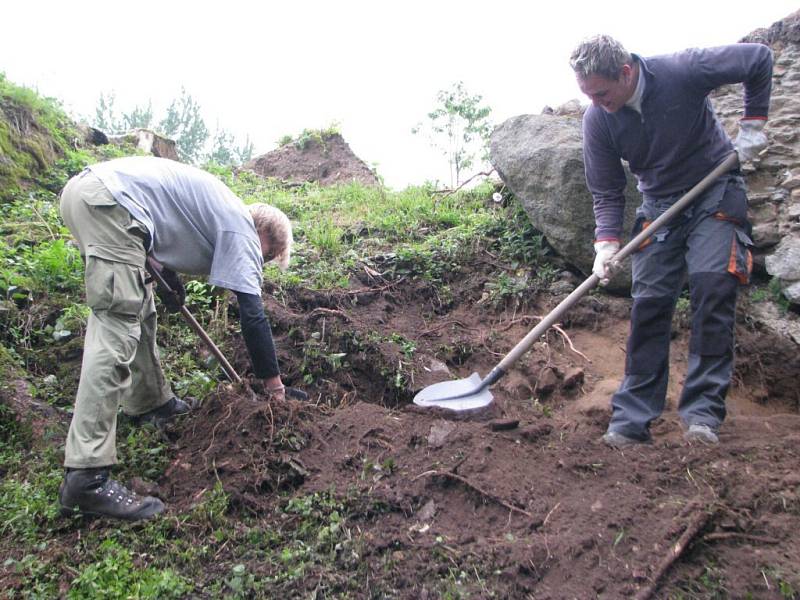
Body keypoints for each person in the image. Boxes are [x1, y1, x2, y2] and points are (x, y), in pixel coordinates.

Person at [57, 155, 293, 520]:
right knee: (117, 325)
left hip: (97, 198)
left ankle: (151, 403)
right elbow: (253, 315)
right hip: (112, 204)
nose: (260, 264)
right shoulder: (243, 229)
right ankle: (85, 478)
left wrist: (167, 273)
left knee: (140, 309)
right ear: (267, 238)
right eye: (268, 257)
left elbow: (157, 234)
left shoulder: (218, 210)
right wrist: (274, 388)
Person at [569, 35, 772, 448]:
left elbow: (758, 58)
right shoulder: (598, 119)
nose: (596, 102)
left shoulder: (682, 70)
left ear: (626, 72)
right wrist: (605, 243)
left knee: (713, 288)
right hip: (659, 205)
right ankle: (631, 419)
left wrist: (753, 124)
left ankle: (701, 416)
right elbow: (606, 190)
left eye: (602, 92)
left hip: (713, 189)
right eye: (587, 95)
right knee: (649, 304)